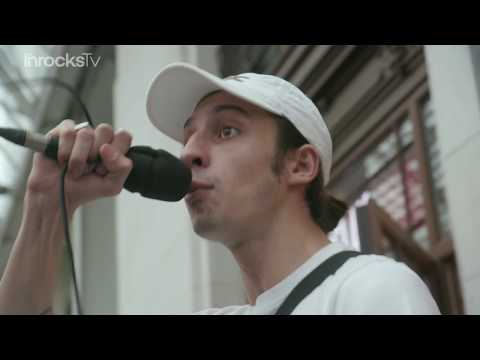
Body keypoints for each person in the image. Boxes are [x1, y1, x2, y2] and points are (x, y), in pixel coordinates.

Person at [0, 62, 440, 315]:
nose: (189, 152)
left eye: (227, 131)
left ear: (299, 164)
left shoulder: (371, 293)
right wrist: (46, 211)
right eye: (188, 136)